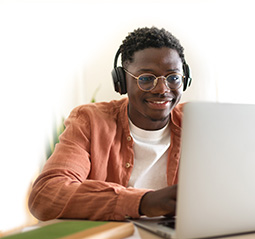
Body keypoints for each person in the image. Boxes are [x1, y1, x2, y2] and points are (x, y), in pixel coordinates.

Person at [28, 26, 192, 221]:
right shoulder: (90, 121)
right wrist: (143, 202)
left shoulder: (199, 123)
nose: (162, 89)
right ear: (121, 81)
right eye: (146, 79)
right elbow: (46, 195)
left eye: (173, 78)